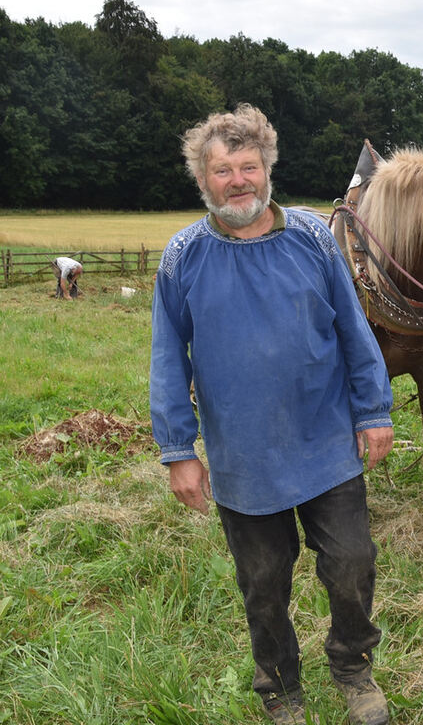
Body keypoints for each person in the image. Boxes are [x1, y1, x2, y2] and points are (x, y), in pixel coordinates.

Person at [149, 104, 394, 725]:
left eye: (248, 167)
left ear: (267, 169)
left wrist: (373, 410)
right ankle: (281, 688)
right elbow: (167, 359)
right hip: (243, 455)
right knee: (263, 583)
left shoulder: (311, 237)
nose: (238, 181)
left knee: (351, 562)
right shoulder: (183, 257)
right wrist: (179, 451)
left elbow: (353, 330)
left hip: (325, 440)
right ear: (203, 180)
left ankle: (352, 666)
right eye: (223, 170)